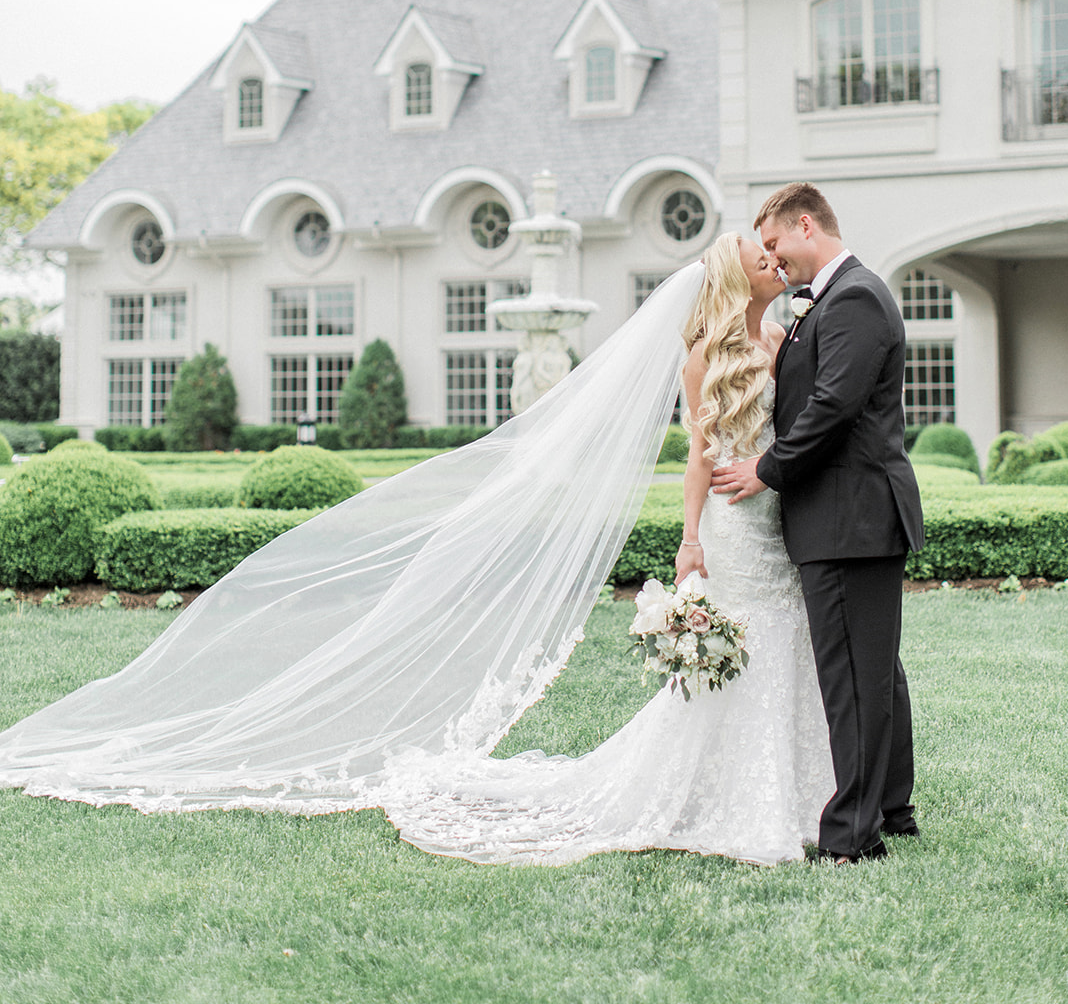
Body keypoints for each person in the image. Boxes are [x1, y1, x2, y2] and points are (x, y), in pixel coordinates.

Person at [0, 233, 832, 867]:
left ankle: (797, 788)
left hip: (776, 523)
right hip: (731, 525)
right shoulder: (701, 359)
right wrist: (690, 540)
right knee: (747, 638)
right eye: (758, 251)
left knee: (782, 637)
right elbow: (696, 455)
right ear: (734, 276)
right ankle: (721, 797)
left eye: (773, 247)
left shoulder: (787, 338)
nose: (771, 254)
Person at [710, 183, 924, 864]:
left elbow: (832, 406)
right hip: (847, 517)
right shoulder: (829, 301)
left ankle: (852, 837)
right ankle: (891, 808)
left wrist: (764, 471)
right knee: (875, 673)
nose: (774, 259)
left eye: (775, 244)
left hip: (847, 517)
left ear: (807, 225)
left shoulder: (854, 296)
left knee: (855, 682)